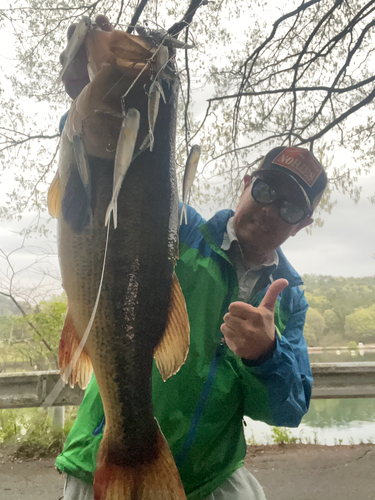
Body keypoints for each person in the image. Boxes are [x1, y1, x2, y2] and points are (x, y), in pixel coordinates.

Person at [55, 16, 327, 500]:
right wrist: (81, 98)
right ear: (245, 184)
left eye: (288, 206)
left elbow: (289, 409)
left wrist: (267, 355)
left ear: (302, 224)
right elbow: (112, 190)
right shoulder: (179, 228)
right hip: (104, 452)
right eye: (264, 190)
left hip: (210, 476)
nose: (268, 210)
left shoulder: (288, 301)